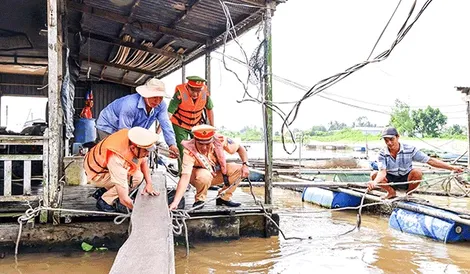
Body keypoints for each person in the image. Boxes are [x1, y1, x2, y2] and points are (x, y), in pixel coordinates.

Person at [367, 127, 465, 199]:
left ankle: (409, 194)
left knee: (417, 172)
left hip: (406, 179)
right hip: (391, 179)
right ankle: (391, 192)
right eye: (386, 140)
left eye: (391, 139)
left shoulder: (410, 149)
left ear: (397, 137)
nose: (389, 143)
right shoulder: (382, 154)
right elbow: (382, 172)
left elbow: (430, 160)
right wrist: (374, 183)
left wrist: (452, 168)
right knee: (374, 175)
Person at [168, 125, 250, 210]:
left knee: (239, 169)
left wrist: (245, 164)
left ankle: (224, 197)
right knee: (204, 174)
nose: (204, 147)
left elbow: (240, 148)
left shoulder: (220, 140)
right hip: (198, 177)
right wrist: (175, 202)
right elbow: (185, 177)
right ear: (195, 140)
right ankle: (200, 199)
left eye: (207, 144)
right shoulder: (189, 151)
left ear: (212, 140)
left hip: (216, 173)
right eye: (200, 144)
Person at [95, 77, 179, 158]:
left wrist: (172, 144)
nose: (157, 101)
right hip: (108, 126)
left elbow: (165, 123)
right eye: (154, 97)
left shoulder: (161, 105)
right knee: (116, 154)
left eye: (160, 98)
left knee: (137, 155)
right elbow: (124, 131)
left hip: (129, 129)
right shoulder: (130, 105)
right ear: (146, 95)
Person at [84, 127, 160, 212]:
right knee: (134, 179)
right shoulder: (117, 158)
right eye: (145, 151)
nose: (147, 154)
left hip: (103, 168)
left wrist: (149, 184)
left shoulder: (134, 141)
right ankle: (105, 201)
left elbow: (143, 162)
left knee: (138, 176)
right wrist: (142, 211)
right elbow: (124, 200)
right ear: (133, 148)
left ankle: (104, 191)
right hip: (96, 174)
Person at [167, 76, 214, 172]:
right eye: (193, 90)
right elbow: (169, 114)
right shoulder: (179, 94)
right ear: (188, 87)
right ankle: (183, 174)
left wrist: (212, 128)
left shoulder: (204, 93)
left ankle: (202, 172)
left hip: (196, 124)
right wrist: (159, 131)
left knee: (201, 146)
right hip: (180, 124)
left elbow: (210, 109)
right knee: (183, 149)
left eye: (198, 91)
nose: (196, 94)